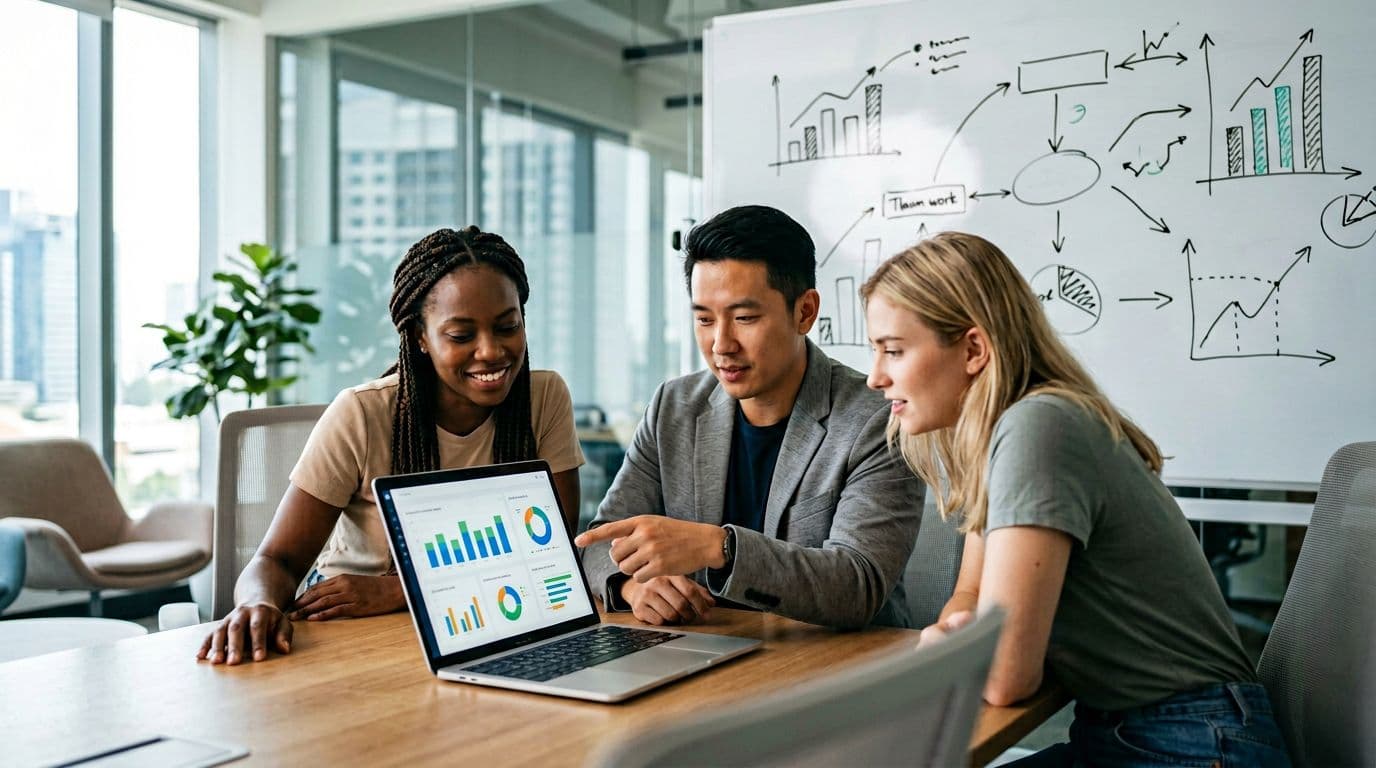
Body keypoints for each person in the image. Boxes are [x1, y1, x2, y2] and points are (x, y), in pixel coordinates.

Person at [862, 232, 1291, 766]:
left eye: (893, 350)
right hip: (1128, 736)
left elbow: (1004, 677)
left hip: (1193, 742)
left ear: (974, 349)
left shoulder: (1038, 426)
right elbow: (968, 597)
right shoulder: (1002, 435)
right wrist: (959, 630)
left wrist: (955, 645)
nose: (876, 376)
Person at [199, 227, 585, 666]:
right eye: (461, 335)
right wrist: (260, 605)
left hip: (488, 613)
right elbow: (276, 559)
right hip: (351, 627)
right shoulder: (362, 414)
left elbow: (552, 555)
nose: (490, 351)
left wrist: (402, 589)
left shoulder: (544, 397)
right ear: (420, 337)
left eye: (507, 326)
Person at [574, 205, 923, 629]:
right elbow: (598, 541)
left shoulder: (874, 419)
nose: (721, 344)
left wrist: (720, 547)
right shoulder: (674, 407)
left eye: (744, 318)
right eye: (704, 319)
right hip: (703, 656)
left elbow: (857, 586)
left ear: (805, 312)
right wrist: (631, 587)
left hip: (840, 669)